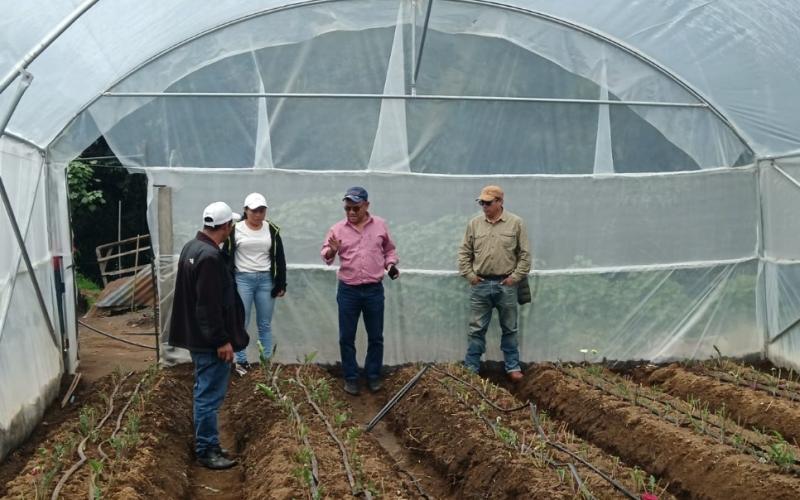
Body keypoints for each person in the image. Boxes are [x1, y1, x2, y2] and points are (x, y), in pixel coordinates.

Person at [168, 201, 249, 470]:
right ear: (225, 226)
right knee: (209, 395)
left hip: (197, 336)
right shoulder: (210, 258)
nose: (231, 230)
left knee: (205, 391)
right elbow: (209, 305)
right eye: (231, 226)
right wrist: (221, 340)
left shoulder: (192, 248)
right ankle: (207, 450)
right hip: (209, 341)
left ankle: (207, 443)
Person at [321, 187, 399, 395]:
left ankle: (373, 376)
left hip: (374, 289)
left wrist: (391, 265)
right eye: (347, 208)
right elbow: (326, 256)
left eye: (356, 208)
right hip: (349, 290)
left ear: (366, 206)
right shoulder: (337, 229)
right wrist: (333, 250)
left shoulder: (380, 226)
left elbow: (389, 250)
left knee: (376, 336)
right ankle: (351, 377)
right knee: (347, 337)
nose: (351, 212)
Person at [457, 185, 531, 381]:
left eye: (488, 202)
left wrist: (514, 278)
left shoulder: (516, 223)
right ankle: (471, 367)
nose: (484, 206)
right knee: (476, 329)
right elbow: (464, 253)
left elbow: (525, 256)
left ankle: (512, 367)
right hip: (480, 284)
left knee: (509, 328)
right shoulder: (474, 224)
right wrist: (470, 276)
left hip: (506, 284)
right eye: (482, 202)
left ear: (500, 202)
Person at [224, 192, 287, 375]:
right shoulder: (235, 230)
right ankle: (241, 361)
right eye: (254, 211)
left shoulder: (272, 229)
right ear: (245, 210)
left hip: (266, 280)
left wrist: (281, 283)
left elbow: (279, 257)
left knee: (265, 323)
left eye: (261, 210)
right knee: (241, 321)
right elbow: (227, 255)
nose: (258, 214)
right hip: (242, 279)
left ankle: (266, 362)